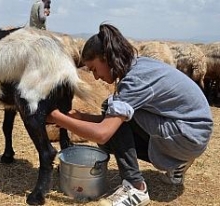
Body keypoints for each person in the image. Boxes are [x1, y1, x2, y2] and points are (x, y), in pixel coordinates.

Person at [47, 23, 213, 206]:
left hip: (187, 134)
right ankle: (177, 164)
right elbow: (111, 124)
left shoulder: (135, 80)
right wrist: (82, 117)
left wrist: (56, 116)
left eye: (94, 68)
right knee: (115, 112)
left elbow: (103, 133)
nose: (95, 76)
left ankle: (136, 188)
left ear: (106, 57)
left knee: (111, 108)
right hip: (193, 133)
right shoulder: (139, 65)